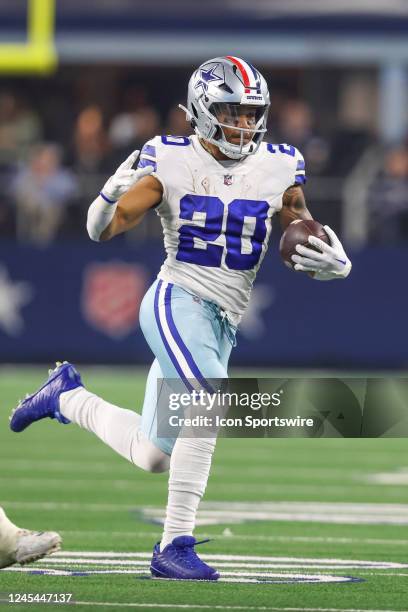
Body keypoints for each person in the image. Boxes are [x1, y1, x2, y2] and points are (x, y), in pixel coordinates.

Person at [9, 56, 351, 580]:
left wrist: (334, 259)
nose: (243, 123)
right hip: (178, 298)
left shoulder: (281, 163)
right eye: (232, 111)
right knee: (208, 402)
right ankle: (174, 545)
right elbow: (107, 228)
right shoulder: (170, 157)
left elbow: (302, 224)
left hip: (222, 321)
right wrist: (103, 202)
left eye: (250, 112)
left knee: (153, 454)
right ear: (201, 110)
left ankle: (66, 395)